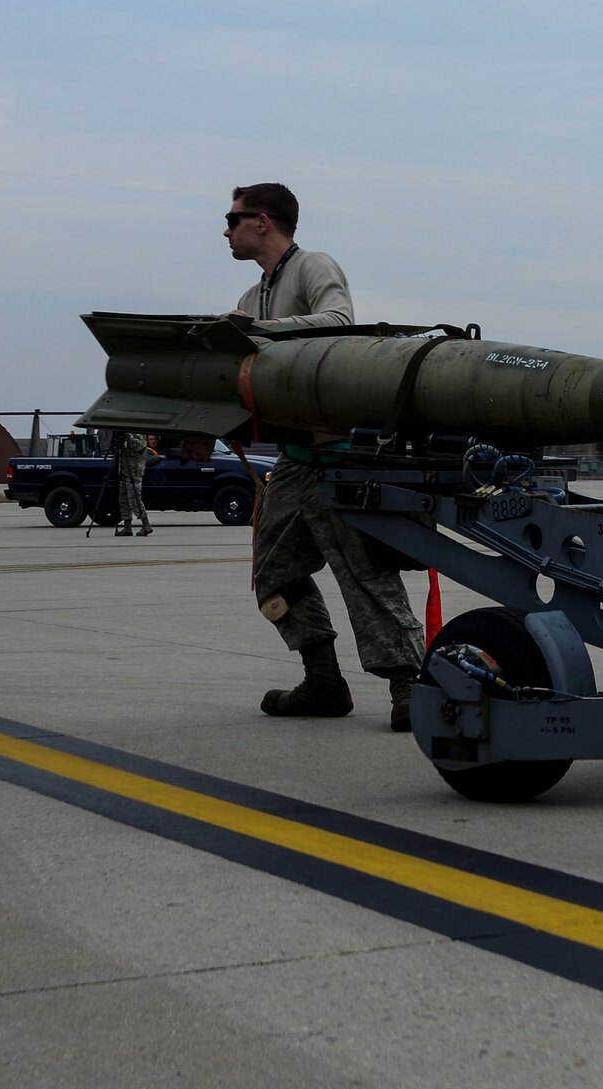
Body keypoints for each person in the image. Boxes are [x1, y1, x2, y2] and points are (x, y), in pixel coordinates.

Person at [225, 183, 424, 728]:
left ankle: (409, 688)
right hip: (294, 459)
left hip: (339, 451)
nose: (226, 229)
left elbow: (340, 323)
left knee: (365, 572)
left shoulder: (314, 267)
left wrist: (259, 331)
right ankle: (323, 681)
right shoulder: (250, 297)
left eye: (233, 218)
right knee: (272, 570)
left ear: (263, 222)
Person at [110, 430, 152, 536]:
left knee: (134, 499)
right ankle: (127, 526)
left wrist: (128, 437)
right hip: (123, 470)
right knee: (123, 499)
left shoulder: (137, 432)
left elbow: (140, 446)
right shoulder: (125, 432)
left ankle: (146, 525)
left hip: (134, 470)